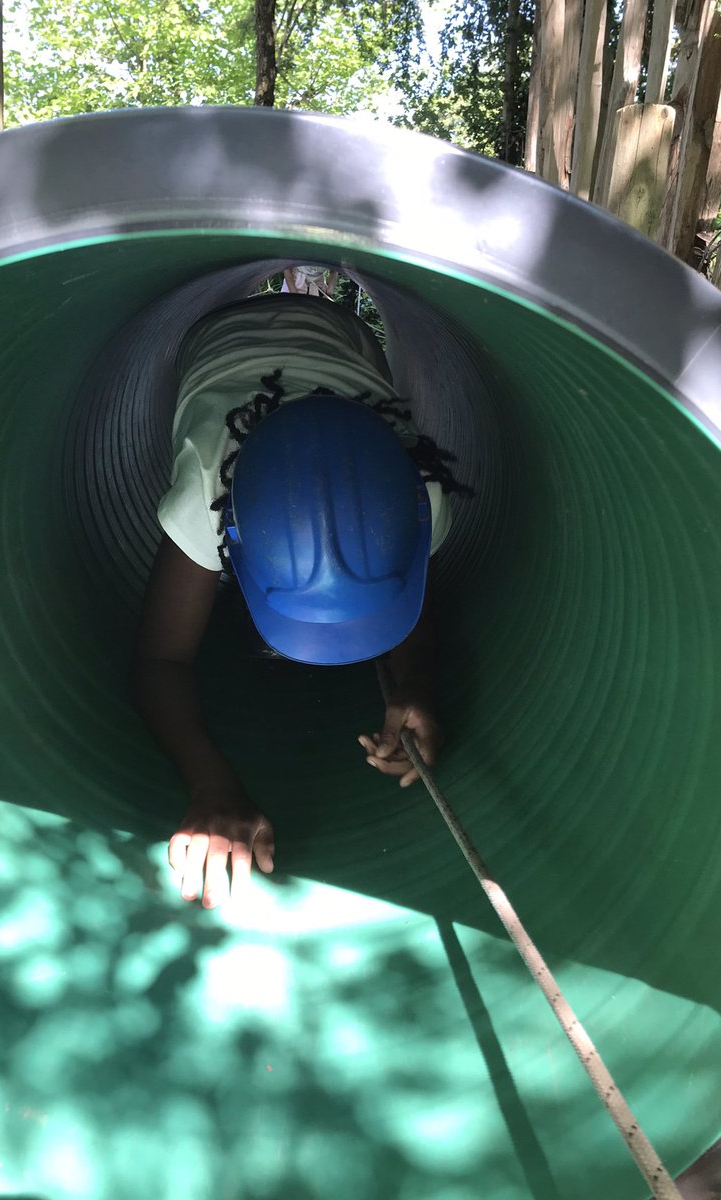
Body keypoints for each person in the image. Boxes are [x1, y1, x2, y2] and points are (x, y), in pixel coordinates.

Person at [131, 292, 470, 909]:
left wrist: (413, 685)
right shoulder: (206, 492)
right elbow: (160, 659)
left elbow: (406, 591)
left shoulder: (419, 494)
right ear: (232, 539)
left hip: (343, 336)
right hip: (211, 336)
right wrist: (208, 781)